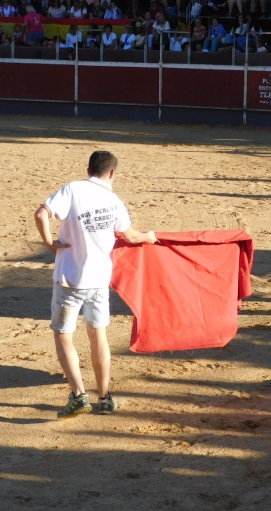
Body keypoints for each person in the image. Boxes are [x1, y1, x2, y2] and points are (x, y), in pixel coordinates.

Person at [34, 151, 158, 419]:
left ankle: (79, 395)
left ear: (88, 168)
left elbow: (41, 214)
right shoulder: (114, 201)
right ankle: (105, 397)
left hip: (70, 279)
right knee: (97, 335)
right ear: (112, 173)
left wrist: (49, 243)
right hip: (99, 281)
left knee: (64, 335)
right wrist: (150, 236)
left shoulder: (74, 189)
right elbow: (132, 236)